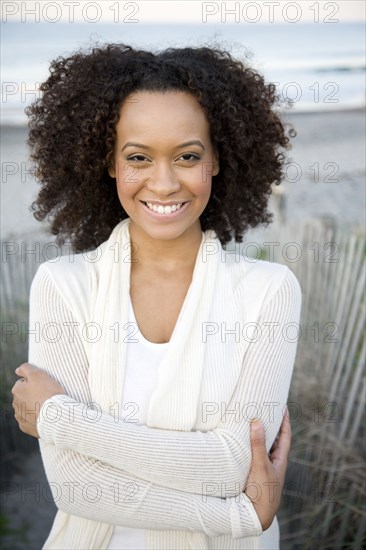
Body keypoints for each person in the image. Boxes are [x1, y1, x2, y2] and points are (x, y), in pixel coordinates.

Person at [12, 43, 301, 549]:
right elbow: (76, 487)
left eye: (188, 156)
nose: (164, 183)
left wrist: (59, 418)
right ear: (107, 163)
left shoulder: (268, 291)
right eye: (138, 157)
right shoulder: (64, 286)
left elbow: (235, 464)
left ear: (217, 160)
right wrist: (238, 517)